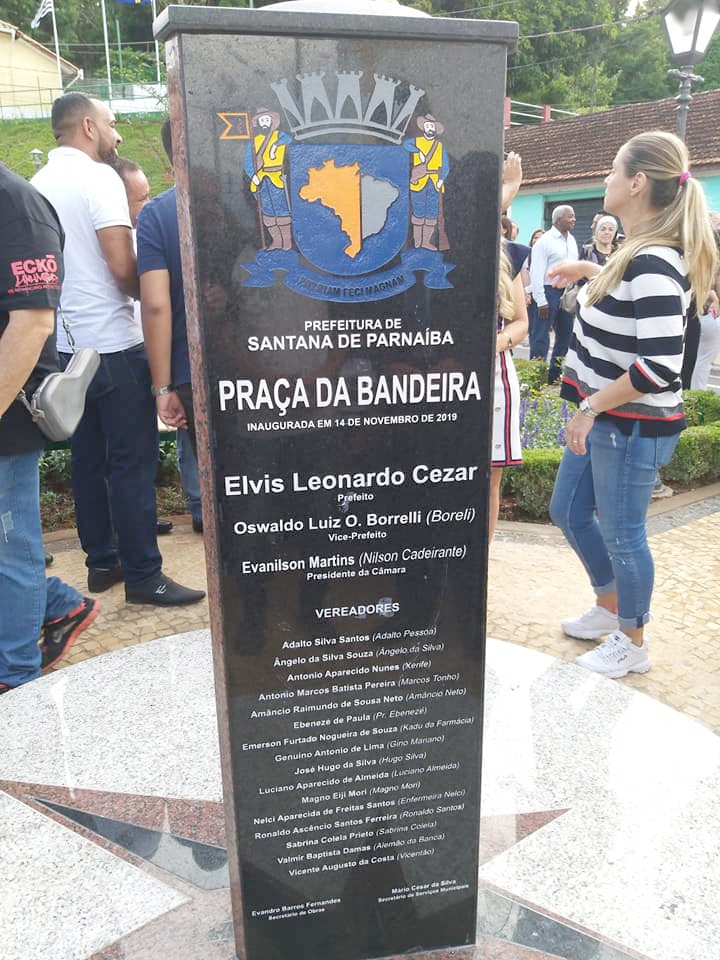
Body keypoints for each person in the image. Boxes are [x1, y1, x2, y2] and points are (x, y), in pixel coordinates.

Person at [547, 130, 717, 679]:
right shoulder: (635, 254)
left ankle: (633, 638)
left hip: (629, 425)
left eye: (613, 170)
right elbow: (634, 304)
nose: (605, 178)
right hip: (609, 421)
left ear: (638, 182)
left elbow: (660, 367)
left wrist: (590, 406)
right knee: (568, 511)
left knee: (624, 534)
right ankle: (609, 606)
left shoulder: (656, 262)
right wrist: (591, 271)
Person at [31, 92, 204, 606]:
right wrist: (150, 287)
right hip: (115, 343)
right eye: (111, 123)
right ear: (87, 127)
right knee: (132, 465)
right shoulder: (99, 179)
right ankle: (145, 576)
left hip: (65, 350)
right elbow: (122, 267)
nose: (118, 134)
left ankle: (101, 561)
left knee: (87, 459)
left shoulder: (37, 183)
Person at [0, 163, 101, 693]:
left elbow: (34, 320)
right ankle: (59, 603)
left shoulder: (15, 203)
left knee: (8, 547)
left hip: (7, 415)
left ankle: (13, 678)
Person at [137, 119, 203, 534]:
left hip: (190, 369)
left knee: (216, 480)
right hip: (264, 362)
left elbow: (156, 304)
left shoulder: (157, 214)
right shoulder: (245, 199)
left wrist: (163, 388)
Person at [489, 245, 528, 541]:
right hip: (433, 376)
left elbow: (521, 322)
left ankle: (481, 563)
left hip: (494, 377)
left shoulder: (506, 254)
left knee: (490, 476)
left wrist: (494, 343)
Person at [529, 205, 578, 383]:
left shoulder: (571, 240)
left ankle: (554, 377)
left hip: (566, 293)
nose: (574, 220)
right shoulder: (545, 242)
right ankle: (536, 378)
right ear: (558, 219)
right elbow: (536, 272)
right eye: (570, 217)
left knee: (565, 336)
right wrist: (541, 300)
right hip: (548, 292)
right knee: (540, 337)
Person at [403, 113, 450, 250]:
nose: (430, 129)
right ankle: (417, 243)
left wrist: (441, 180)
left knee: (431, 213)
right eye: (427, 126)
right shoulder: (416, 142)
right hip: (419, 182)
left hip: (434, 182)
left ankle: (426, 242)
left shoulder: (439, 146)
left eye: (432, 127)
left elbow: (445, 165)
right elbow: (406, 144)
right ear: (424, 128)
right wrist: (419, 151)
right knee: (418, 212)